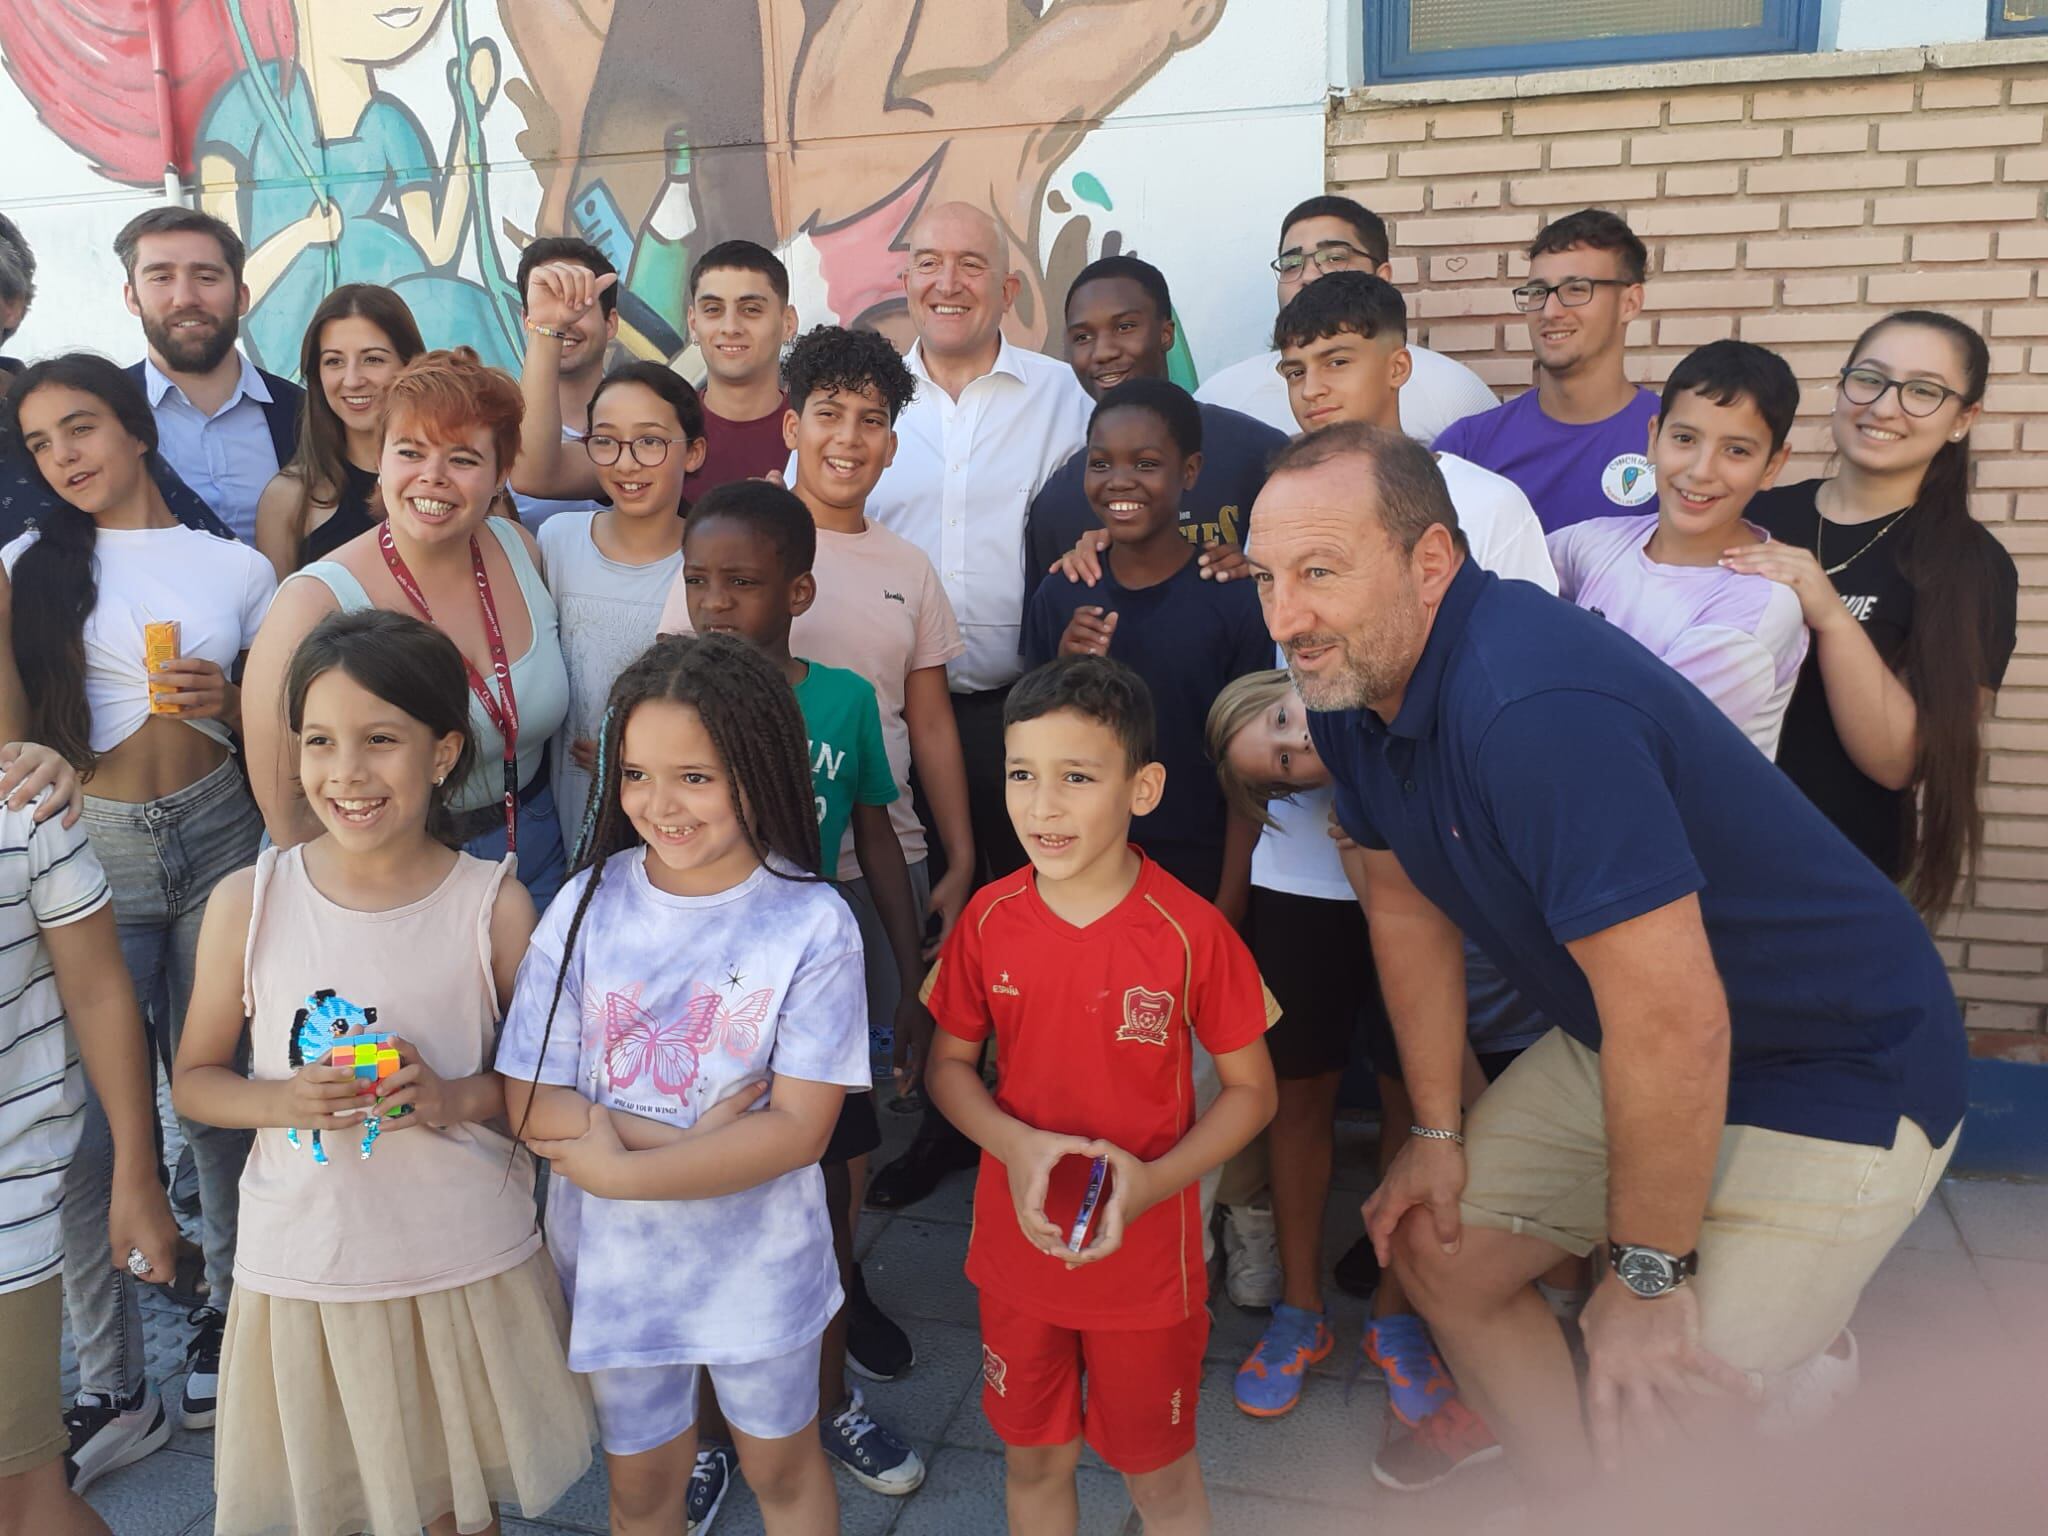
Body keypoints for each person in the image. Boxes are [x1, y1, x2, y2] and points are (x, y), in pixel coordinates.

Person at [1251, 422, 1965, 1493]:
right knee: (1440, 1251)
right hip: (1632, 1030)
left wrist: (1641, 1281)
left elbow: (1676, 1020)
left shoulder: (1533, 708)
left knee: (1671, 1385)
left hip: (1835, 1064)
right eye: (1265, 577)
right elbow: (1402, 908)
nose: (1284, 617)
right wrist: (1435, 1129)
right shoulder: (1351, 677)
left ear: (1430, 561)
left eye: (1318, 572)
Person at [1213, 273, 1557, 1430]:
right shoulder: (1268, 495)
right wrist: (1265, 749)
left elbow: (1511, 676)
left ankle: (1410, 1311)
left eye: (1338, 360)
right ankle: (1301, 1308)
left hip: (1430, 868)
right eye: (1295, 368)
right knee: (1298, 1096)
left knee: (1431, 1096)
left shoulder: (1480, 501)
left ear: (1397, 366)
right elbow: (1260, 685)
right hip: (1300, 868)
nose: (1314, 388)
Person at [172, 610, 594, 1536]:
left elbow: (538, 1091)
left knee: (457, 1504)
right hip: (312, 1268)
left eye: (380, 741)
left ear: (443, 754)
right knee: (349, 1499)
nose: (346, 773)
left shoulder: (494, 905)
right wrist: (280, 1098)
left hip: (459, 1260)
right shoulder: (252, 901)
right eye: (319, 742)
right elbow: (196, 1080)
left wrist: (446, 1095)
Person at [499, 633, 868, 1536]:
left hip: (761, 1261)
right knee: (640, 1492)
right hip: (622, 1270)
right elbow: (532, 1105)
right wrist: (701, 1142)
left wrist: (616, 1163)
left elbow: (799, 1133)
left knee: (785, 1468)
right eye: (634, 773)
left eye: (695, 777)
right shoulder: (585, 906)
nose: (658, 805)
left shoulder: (813, 925)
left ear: (760, 765)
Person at [923, 654, 1278, 1536]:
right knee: (1034, 1460)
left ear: (1142, 787)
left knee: (1157, 1476)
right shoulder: (988, 920)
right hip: (1017, 1255)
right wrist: (1017, 1146)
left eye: (1076, 777)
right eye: (1021, 776)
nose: (1042, 807)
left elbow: (1252, 1094)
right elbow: (948, 1069)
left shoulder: (1193, 933)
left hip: (1149, 1270)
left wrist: (1154, 1184)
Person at [2, 355, 276, 1477]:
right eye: (40, 443)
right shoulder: (24, 568)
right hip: (96, 846)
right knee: (87, 1131)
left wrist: (236, 694)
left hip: (219, 831)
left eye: (82, 429)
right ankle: (110, 1379)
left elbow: (279, 714)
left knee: (219, 1098)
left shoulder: (242, 566)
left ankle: (235, 1320)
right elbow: (12, 747)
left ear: (138, 433)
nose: (66, 456)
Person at [676, 483, 930, 1503]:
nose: (716, 603)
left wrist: (912, 979)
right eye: (697, 581)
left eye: (741, 583)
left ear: (797, 589)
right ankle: (704, 1437)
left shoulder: (839, 699)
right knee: (696, 1227)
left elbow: (874, 833)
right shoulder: (663, 698)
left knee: (825, 1213)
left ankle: (831, 1411)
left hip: (811, 1001)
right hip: (696, 1012)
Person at [859, 200, 1092, 1210]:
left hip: (1022, 706)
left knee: (1036, 918)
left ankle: (1041, 1112)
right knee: (938, 930)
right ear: (903, 279)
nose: (945, 282)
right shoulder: (868, 403)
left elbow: (1110, 511)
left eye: (970, 264)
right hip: (898, 716)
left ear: (1006, 287)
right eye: (926, 262)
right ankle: (952, 1121)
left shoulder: (1060, 397)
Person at [660, 325, 974, 1021]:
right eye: (829, 414)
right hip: (745, 863)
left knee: (882, 1045)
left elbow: (928, 722)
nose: (849, 438)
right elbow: (673, 693)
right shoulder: (737, 542)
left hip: (885, 855)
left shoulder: (909, 567)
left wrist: (959, 857)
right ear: (794, 426)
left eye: (872, 421)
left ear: (892, 446)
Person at [243, 349, 572, 905]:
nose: (433, 477)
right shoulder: (312, 604)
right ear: (381, 459)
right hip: (387, 870)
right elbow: (290, 814)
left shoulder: (520, 550)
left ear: (501, 473)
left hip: (537, 847)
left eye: (463, 458)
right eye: (411, 451)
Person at [1736, 311, 2019, 920]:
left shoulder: (1971, 565)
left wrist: (1831, 617)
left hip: (1838, 880)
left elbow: (1900, 762)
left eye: (1923, 391)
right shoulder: (1754, 512)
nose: (1885, 407)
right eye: (1869, 379)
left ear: (1961, 419)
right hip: (1709, 854)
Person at [0, 761, 179, 1536]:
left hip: (8, 1218)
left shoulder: (23, 808)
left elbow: (101, 991)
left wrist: (137, 1177)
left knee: (24, 1500)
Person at [1021, 379, 1268, 914]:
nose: (1120, 481)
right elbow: (1027, 748)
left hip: (1196, 872)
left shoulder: (1233, 600)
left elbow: (1248, 773)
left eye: (1147, 464)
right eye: (1101, 463)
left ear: (1191, 471)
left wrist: (1229, 900)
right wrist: (1064, 673)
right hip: (1078, 874)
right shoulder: (1061, 592)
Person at [1548, 340, 1807, 759]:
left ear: (1773, 466)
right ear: (1654, 438)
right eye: (1685, 438)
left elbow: (1632, 739)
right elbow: (1497, 585)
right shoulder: (1596, 542)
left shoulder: (1760, 607)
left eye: (1736, 451)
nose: (1701, 471)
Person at [1025, 255, 1287, 576]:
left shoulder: (1259, 455)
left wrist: (1259, 574)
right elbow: (1047, 622)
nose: (1104, 351)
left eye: (1124, 327)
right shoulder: (1058, 502)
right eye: (1083, 337)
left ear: (1166, 334)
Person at [542, 363, 707, 841]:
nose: (626, 463)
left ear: (693, 452)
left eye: (651, 442)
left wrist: (636, 758)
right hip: (558, 827)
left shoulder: (704, 568)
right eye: (606, 440)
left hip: (665, 831)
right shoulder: (557, 541)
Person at [1196, 195, 1496, 446]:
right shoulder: (1223, 395)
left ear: (1383, 277)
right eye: (1291, 263)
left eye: (1335, 257)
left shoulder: (1451, 390)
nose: (1310, 275)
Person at [1433, 208, 1661, 533]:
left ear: (1630, 303)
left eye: (1577, 289)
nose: (1550, 311)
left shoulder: (1678, 441)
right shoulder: (1468, 446)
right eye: (1538, 292)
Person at [114, 207, 304, 542]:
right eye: (161, 277)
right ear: (131, 298)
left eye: (206, 277)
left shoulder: (305, 414)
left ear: (242, 297)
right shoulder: (104, 413)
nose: (185, 298)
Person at [253, 284, 426, 579]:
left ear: (410, 364)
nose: (352, 380)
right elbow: (282, 622)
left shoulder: (454, 479)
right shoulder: (287, 499)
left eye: (373, 359)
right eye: (334, 361)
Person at [509, 238, 622, 528]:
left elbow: (536, 475)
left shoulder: (641, 420)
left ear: (610, 323)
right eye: (548, 302)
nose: (565, 319)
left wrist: (549, 329)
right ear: (527, 320)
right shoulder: (491, 425)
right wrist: (547, 328)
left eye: (579, 305)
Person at [685, 239, 804, 494]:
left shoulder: (816, 435)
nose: (730, 327)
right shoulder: (665, 430)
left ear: (788, 323)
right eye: (713, 309)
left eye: (750, 309)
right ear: (693, 324)